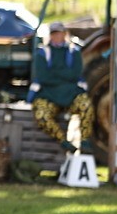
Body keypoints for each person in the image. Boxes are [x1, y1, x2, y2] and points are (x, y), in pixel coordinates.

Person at [27, 21, 94, 153]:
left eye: (59, 33)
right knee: (41, 115)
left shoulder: (74, 51)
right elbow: (43, 77)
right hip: (48, 95)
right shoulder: (42, 53)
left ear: (64, 34)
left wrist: (54, 72)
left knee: (86, 106)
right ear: (50, 36)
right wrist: (65, 74)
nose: (56, 36)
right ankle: (63, 141)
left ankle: (85, 141)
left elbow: (75, 74)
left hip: (71, 94)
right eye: (54, 34)